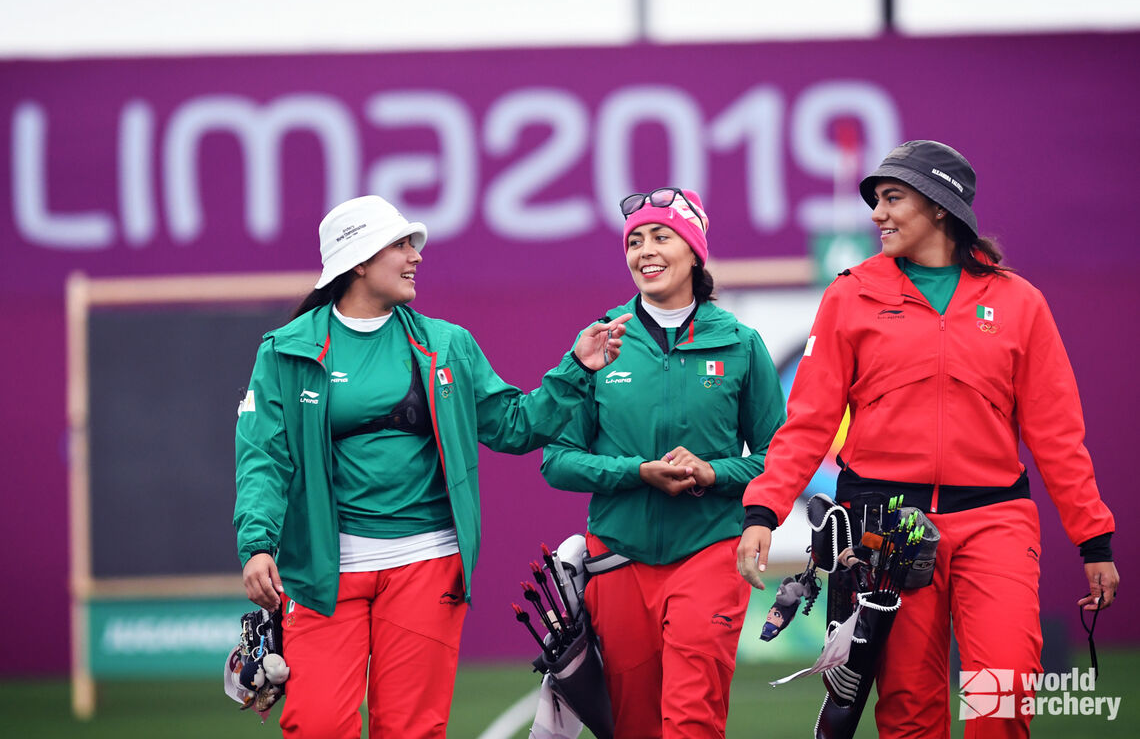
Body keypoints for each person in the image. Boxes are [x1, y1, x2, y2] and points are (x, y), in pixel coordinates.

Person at [736, 140, 1119, 738]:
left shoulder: (1019, 303)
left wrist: (1092, 538)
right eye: (876, 201)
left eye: (893, 198)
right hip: (886, 529)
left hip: (994, 520)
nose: (877, 214)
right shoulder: (850, 294)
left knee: (1005, 692)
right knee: (910, 711)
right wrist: (764, 508)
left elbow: (1057, 432)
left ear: (941, 207)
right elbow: (807, 421)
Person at [233, 195, 631, 739]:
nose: (415, 256)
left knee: (412, 730)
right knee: (318, 724)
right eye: (399, 245)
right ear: (359, 262)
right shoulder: (285, 351)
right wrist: (257, 543)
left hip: (428, 563)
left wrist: (577, 368)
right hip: (322, 570)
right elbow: (263, 456)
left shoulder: (445, 344)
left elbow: (514, 426)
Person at [540, 188, 786, 738]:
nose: (644, 251)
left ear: (695, 251)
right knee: (634, 725)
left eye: (661, 236)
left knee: (691, 718)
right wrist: (636, 471)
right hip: (617, 559)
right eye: (634, 241)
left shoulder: (741, 343)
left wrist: (714, 472)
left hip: (710, 551)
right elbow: (555, 461)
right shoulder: (599, 341)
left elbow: (779, 457)